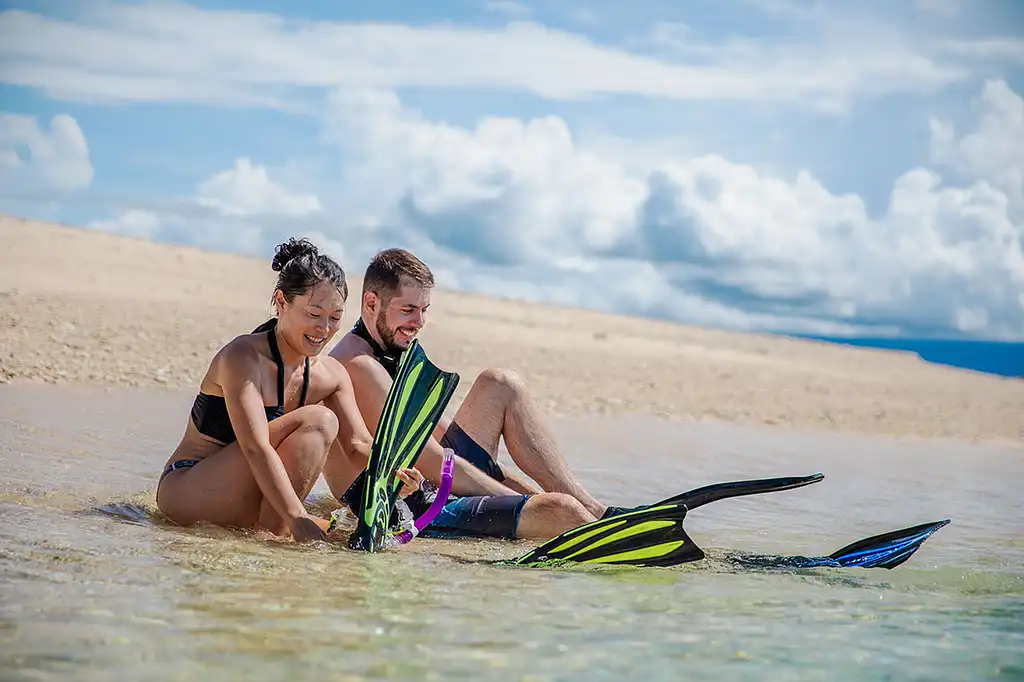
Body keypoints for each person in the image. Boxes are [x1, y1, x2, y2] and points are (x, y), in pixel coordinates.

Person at [328, 248, 622, 540]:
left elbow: (441, 439)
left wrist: (529, 497)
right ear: (371, 303)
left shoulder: (393, 349)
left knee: (500, 383)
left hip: (434, 480)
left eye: (424, 310)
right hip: (410, 508)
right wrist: (523, 502)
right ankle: (598, 531)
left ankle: (594, 510)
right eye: (408, 310)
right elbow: (431, 460)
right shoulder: (359, 365)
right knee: (560, 511)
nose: (419, 322)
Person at [156, 238, 421, 543]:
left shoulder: (331, 375)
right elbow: (256, 448)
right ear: (281, 302)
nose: (324, 328)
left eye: (335, 318)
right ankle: (284, 533)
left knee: (346, 537)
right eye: (313, 314)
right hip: (190, 491)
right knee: (320, 420)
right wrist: (297, 518)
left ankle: (274, 545)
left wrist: (396, 472)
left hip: (253, 498)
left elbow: (359, 445)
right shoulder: (243, 357)